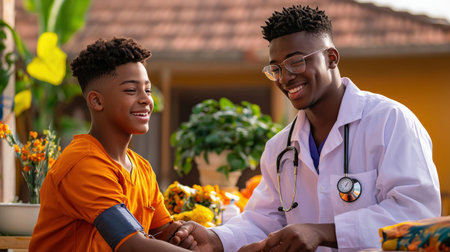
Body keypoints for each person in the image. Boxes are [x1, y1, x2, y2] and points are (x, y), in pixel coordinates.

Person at [172, 5, 441, 252]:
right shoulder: (281, 147)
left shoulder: (390, 121)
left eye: (296, 61)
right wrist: (216, 239)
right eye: (276, 68)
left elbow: (417, 213)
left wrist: (324, 232)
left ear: (331, 58)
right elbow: (262, 220)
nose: (285, 77)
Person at [29, 37, 196, 252]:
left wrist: (187, 235)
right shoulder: (83, 164)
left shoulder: (142, 168)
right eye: (131, 90)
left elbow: (163, 231)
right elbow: (133, 246)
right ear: (96, 101)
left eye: (147, 89)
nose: (145, 99)